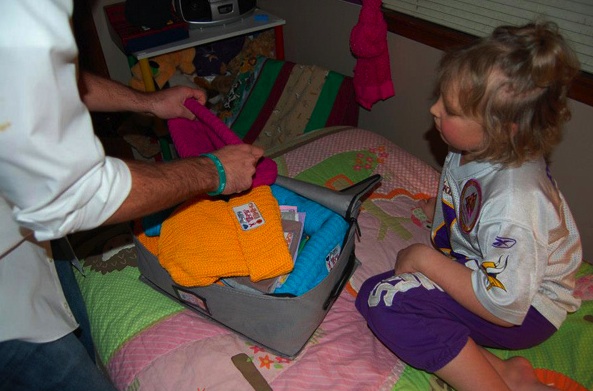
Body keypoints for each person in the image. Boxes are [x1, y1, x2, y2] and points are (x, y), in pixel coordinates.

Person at [0, 1, 264, 390]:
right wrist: (215, 171)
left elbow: (45, 87)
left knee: (77, 326)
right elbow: (78, 192)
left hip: (26, 239)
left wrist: (149, 102)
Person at [356, 21, 582, 391]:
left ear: (503, 128)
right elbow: (474, 196)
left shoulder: (515, 201)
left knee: (386, 302)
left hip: (527, 308)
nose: (434, 109)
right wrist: (449, 214)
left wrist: (425, 259)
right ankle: (506, 370)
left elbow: (505, 308)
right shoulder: (477, 147)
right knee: (381, 290)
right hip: (490, 271)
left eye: (451, 109)